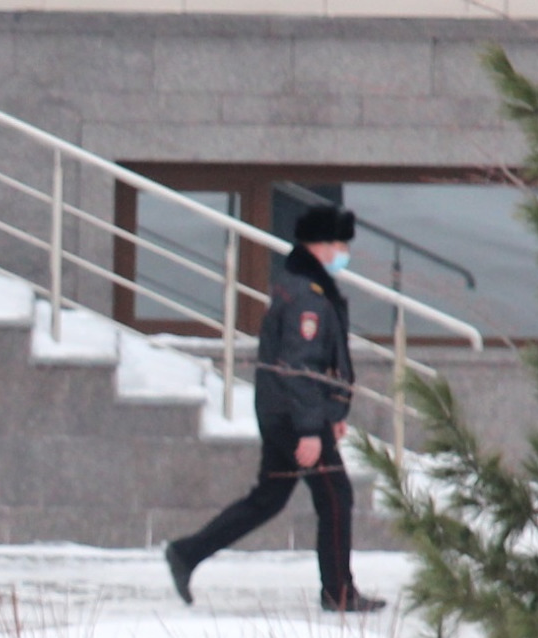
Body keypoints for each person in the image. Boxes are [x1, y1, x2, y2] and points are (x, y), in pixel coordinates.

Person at [163, 205, 387, 614]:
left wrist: (334, 415)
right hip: (293, 417)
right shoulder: (306, 297)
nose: (343, 252)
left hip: (284, 412)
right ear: (319, 245)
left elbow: (319, 364)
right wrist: (309, 429)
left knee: (269, 498)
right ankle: (338, 592)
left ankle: (186, 553)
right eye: (339, 244)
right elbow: (300, 367)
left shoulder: (301, 287)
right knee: (336, 496)